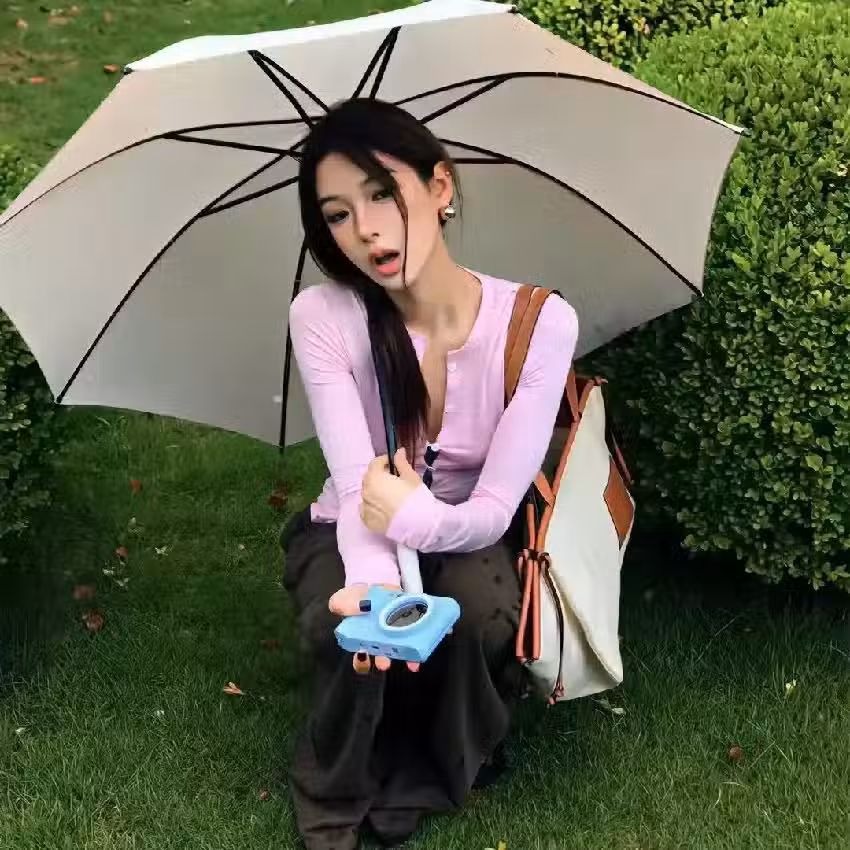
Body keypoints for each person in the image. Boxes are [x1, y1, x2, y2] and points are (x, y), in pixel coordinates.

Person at [281, 98, 578, 850]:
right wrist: (376, 594)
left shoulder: (538, 324)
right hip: (354, 525)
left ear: (440, 187)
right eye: (338, 214)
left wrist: (420, 519)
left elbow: (496, 506)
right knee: (347, 628)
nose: (366, 229)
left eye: (382, 194)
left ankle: (434, 762)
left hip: (470, 525)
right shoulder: (325, 316)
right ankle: (338, 784)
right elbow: (358, 487)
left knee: (477, 613)